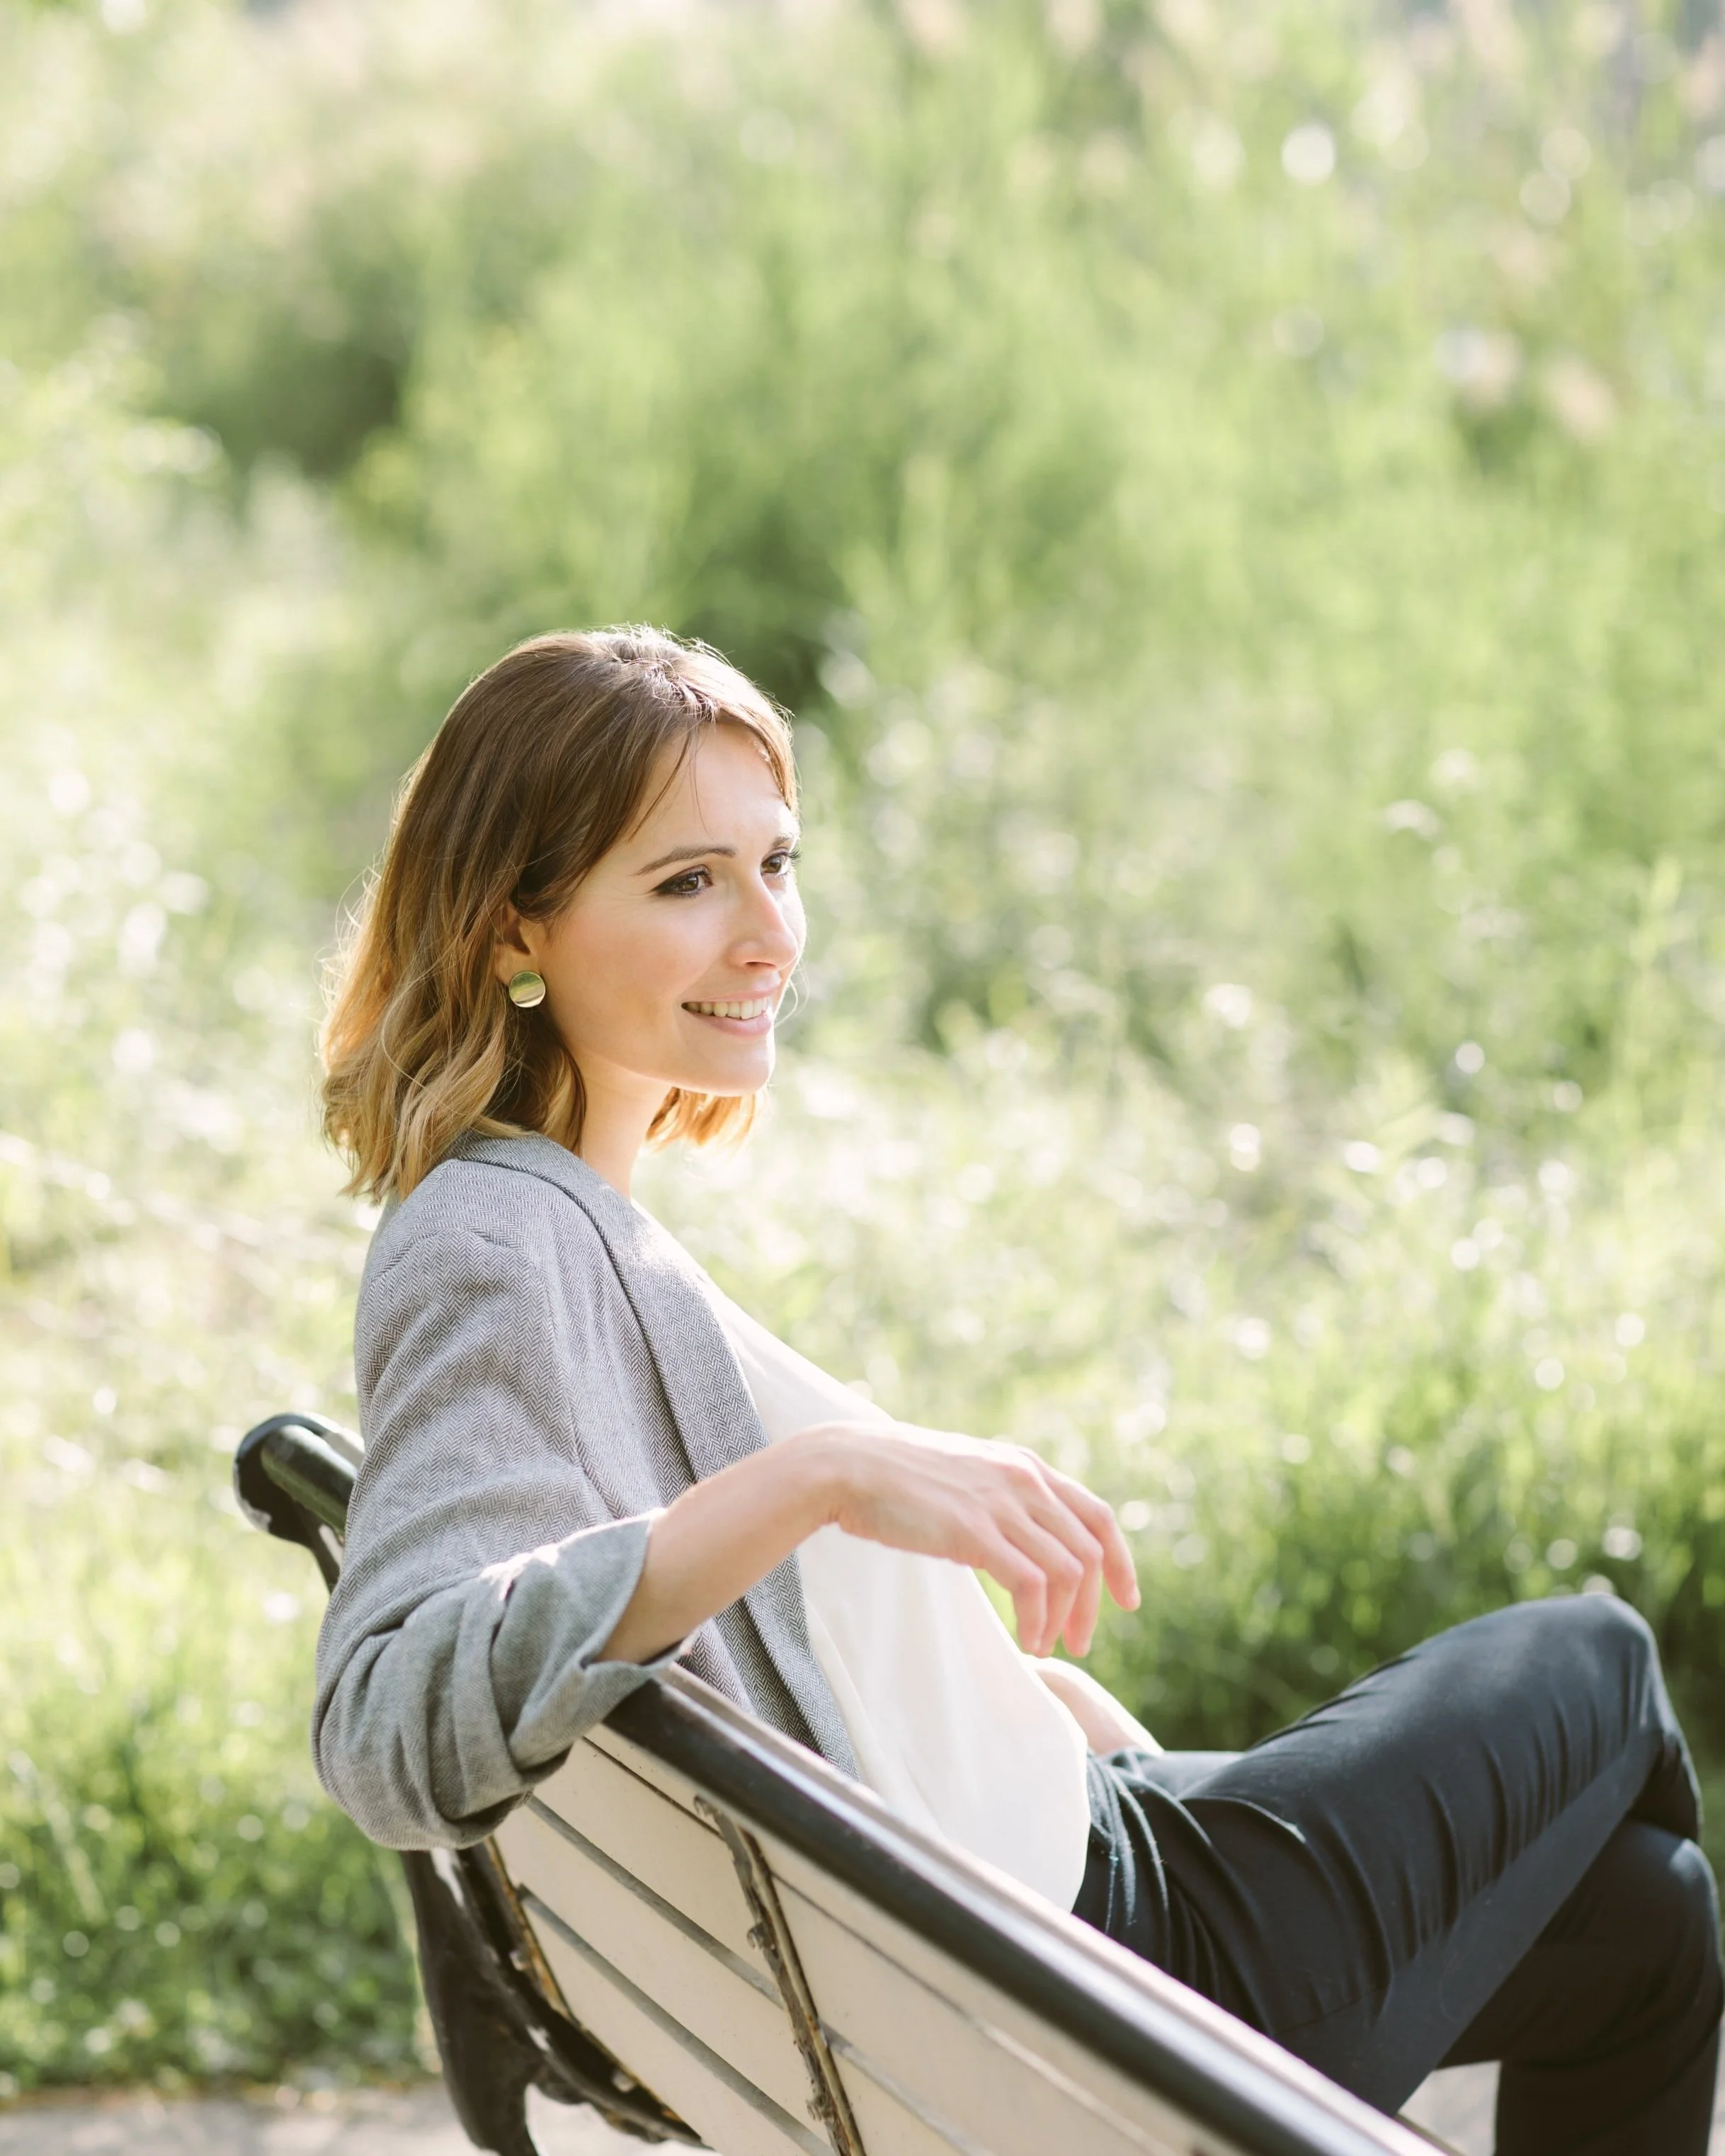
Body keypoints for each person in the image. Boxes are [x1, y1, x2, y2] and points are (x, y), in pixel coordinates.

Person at [315, 628, 1721, 2153]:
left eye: (777, 862)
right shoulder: (496, 1241)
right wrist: (828, 1475)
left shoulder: (571, 1221)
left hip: (1017, 1916)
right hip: (1091, 1983)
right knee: (1598, 1658)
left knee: (1647, 1923)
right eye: (686, 882)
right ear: (514, 932)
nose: (771, 933)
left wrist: (1005, 1702)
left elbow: (705, 1632)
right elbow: (400, 1720)